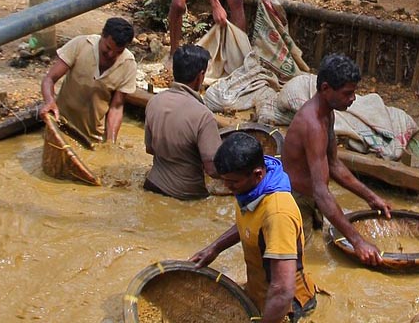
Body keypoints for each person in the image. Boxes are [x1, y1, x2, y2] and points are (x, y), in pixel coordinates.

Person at [190, 133, 317, 323]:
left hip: (285, 307)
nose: (227, 186)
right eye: (224, 179)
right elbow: (250, 221)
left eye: (232, 182)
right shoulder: (250, 191)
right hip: (258, 292)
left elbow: (283, 290)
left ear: (257, 174)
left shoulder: (277, 214)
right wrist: (215, 248)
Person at [282, 54, 392, 267]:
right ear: (325, 89)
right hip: (294, 202)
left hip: (311, 198)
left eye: (354, 92)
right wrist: (358, 241)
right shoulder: (312, 125)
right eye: (347, 93)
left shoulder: (327, 113)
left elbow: (333, 164)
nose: (353, 99)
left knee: (317, 247)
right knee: (299, 263)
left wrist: (371, 197)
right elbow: (321, 192)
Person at [40, 17, 137, 143]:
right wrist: (49, 101)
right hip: (61, 125)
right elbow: (50, 79)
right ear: (102, 35)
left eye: (118, 52)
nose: (111, 55)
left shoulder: (128, 65)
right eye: (108, 48)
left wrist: (110, 142)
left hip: (93, 137)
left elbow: (116, 107)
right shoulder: (81, 44)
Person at [144, 44, 222, 200]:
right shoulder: (203, 115)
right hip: (186, 195)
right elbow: (213, 169)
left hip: (151, 185)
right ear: (200, 76)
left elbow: (150, 148)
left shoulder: (154, 102)